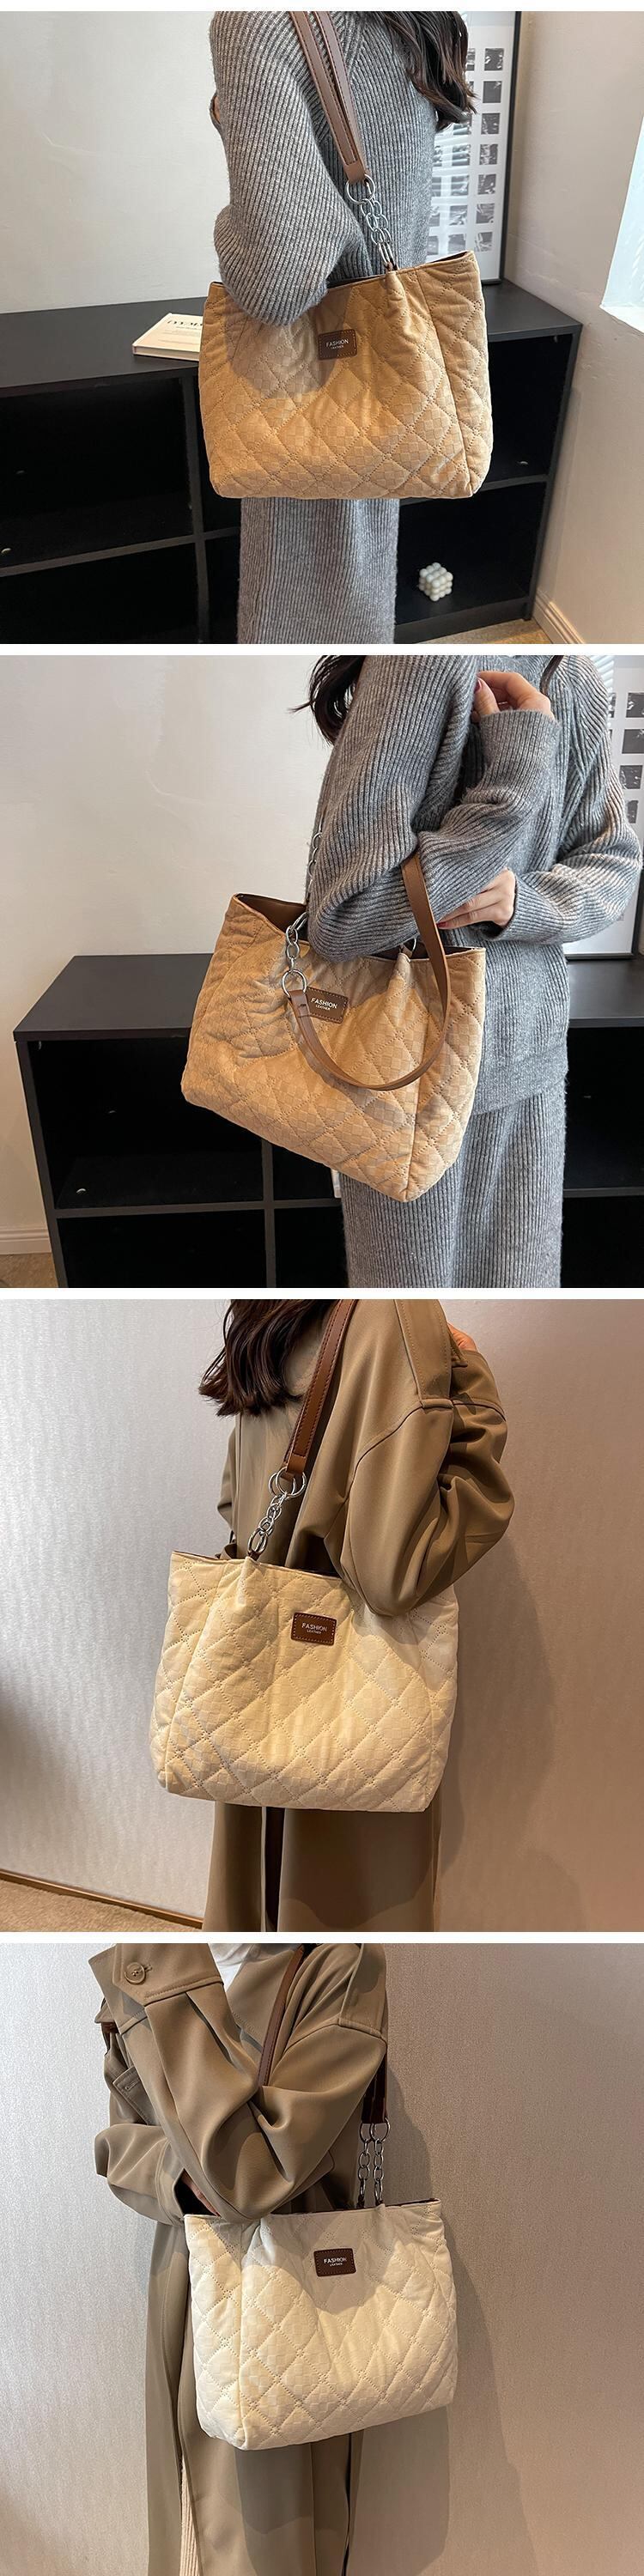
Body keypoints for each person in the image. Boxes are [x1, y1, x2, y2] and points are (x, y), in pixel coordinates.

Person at [304, 653, 641, 1286]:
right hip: (407, 1081)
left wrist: (523, 903)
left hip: (530, 1066)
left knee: (522, 1304)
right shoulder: (422, 669)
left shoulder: (571, 678)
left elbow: (615, 864)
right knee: (411, 1311)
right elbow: (343, 919)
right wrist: (511, 780)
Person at [199, 1297, 513, 1930]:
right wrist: (472, 1382)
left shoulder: (269, 1319)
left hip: (256, 1673)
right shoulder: (394, 1316)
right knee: (347, 1917)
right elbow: (396, 1574)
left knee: (259, 1917)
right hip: (354, 1702)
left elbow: (237, 1502)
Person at [93, 1938, 388, 2576]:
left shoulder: (334, 1966)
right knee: (183, 2538)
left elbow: (247, 2177)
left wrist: (165, 1980)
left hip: (280, 2300)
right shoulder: (145, 1968)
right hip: (179, 2286)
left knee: (263, 2543)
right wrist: (184, 2178)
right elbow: (117, 2151)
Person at [209, 10, 473, 641]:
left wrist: (228, 223)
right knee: (358, 590)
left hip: (306, 370)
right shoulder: (408, 19)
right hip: (388, 356)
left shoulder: (257, 23)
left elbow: (278, 282)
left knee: (300, 607)